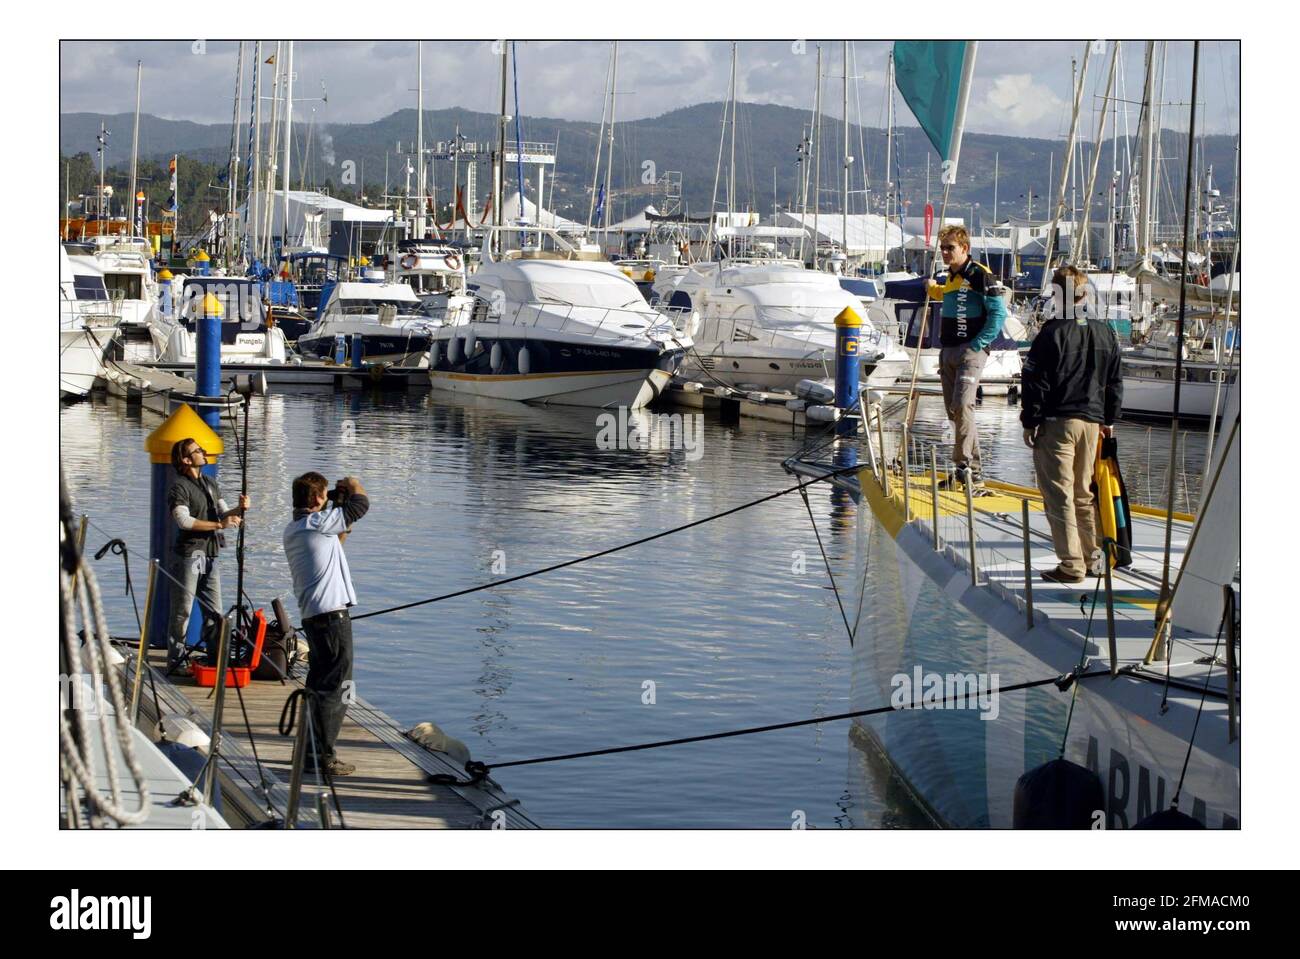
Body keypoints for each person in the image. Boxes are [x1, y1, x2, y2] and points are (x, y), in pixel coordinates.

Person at [1020, 265, 1124, 584]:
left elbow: (1034, 381)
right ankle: (1093, 558)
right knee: (1083, 492)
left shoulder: (1051, 333)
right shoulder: (1106, 331)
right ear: (1084, 293)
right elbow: (1115, 381)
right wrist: (1109, 419)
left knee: (1059, 494)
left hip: (1058, 423)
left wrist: (1030, 420)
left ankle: (1070, 564)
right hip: (1092, 423)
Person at [282, 473, 370, 777]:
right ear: (318, 499)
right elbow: (361, 505)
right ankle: (322, 755)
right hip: (332, 618)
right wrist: (353, 484)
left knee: (319, 686)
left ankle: (307, 751)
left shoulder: (297, 528)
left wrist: (336, 504)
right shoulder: (318, 524)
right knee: (336, 687)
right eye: (323, 495)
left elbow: (337, 541)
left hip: (315, 617)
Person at [926, 224, 1008, 494]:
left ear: (965, 248)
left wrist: (978, 344)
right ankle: (971, 472)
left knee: (963, 406)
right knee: (954, 410)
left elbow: (998, 314)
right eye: (943, 249)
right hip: (947, 350)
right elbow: (945, 295)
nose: (945, 253)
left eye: (950, 248)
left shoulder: (980, 274)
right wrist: (932, 289)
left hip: (970, 351)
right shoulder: (949, 276)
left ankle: (964, 468)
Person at [166, 439, 250, 668]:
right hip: (190, 555)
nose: (203, 452)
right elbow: (183, 521)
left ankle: (216, 658)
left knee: (215, 611)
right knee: (182, 610)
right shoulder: (179, 487)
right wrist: (220, 526)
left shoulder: (211, 483)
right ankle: (176, 660)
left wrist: (239, 509)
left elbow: (223, 513)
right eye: (197, 450)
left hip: (210, 555)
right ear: (186, 460)